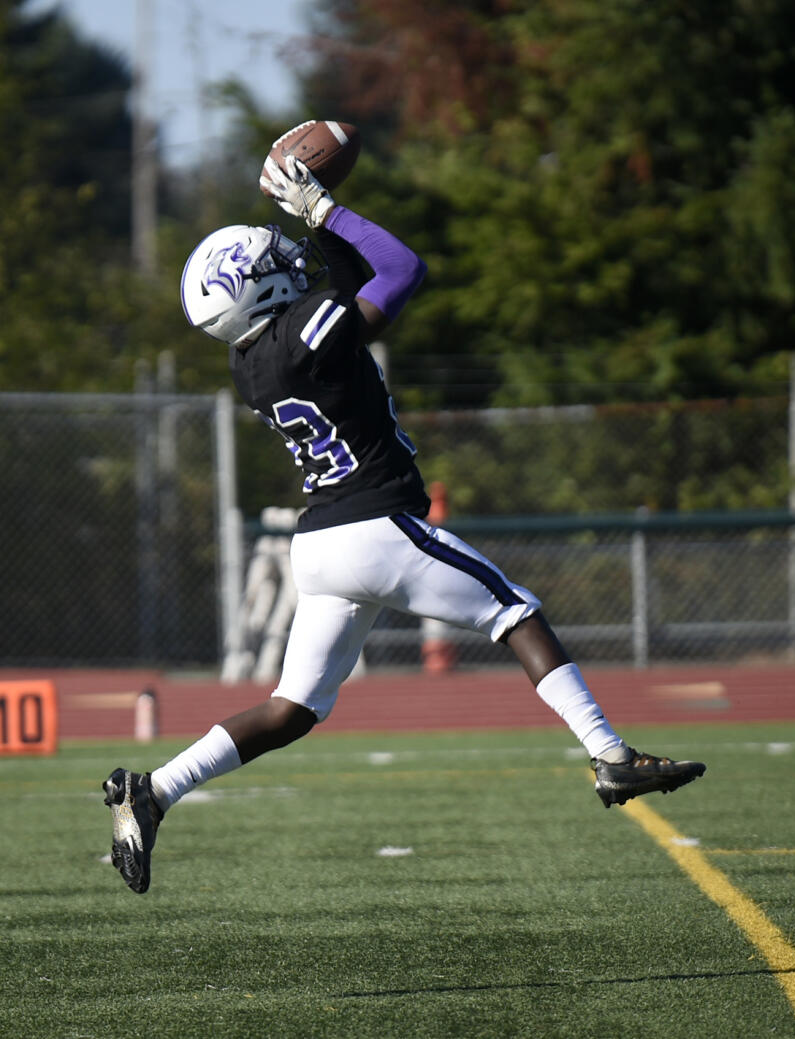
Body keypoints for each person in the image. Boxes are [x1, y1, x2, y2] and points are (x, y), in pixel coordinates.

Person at [102, 153, 705, 894]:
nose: (287, 258)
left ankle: (154, 790)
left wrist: (320, 225)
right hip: (373, 525)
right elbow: (403, 271)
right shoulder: (302, 331)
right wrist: (325, 213)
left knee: (292, 709)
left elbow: (354, 293)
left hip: (322, 543)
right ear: (255, 288)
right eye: (273, 258)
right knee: (514, 611)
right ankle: (610, 754)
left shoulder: (255, 360)